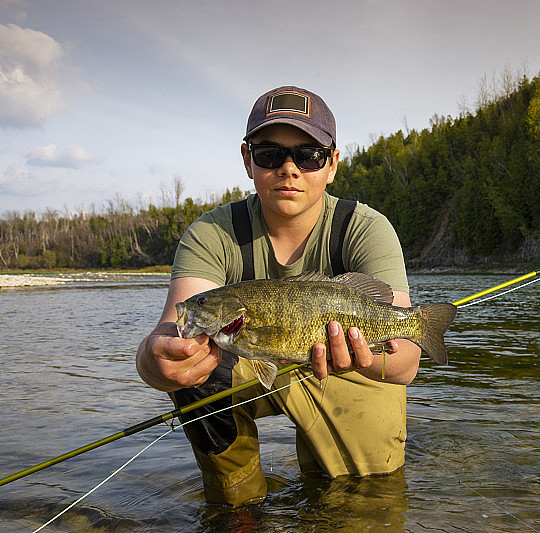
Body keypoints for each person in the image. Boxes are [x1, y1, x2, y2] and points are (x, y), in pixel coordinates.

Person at [136, 85, 421, 506]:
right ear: (248, 160)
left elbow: (406, 363)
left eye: (308, 155)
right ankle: (240, 509)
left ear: (332, 164)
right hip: (252, 363)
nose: (289, 169)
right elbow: (172, 328)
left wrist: (366, 353)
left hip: (346, 372)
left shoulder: (364, 228)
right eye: (270, 154)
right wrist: (157, 361)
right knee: (201, 374)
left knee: (363, 501)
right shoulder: (213, 233)